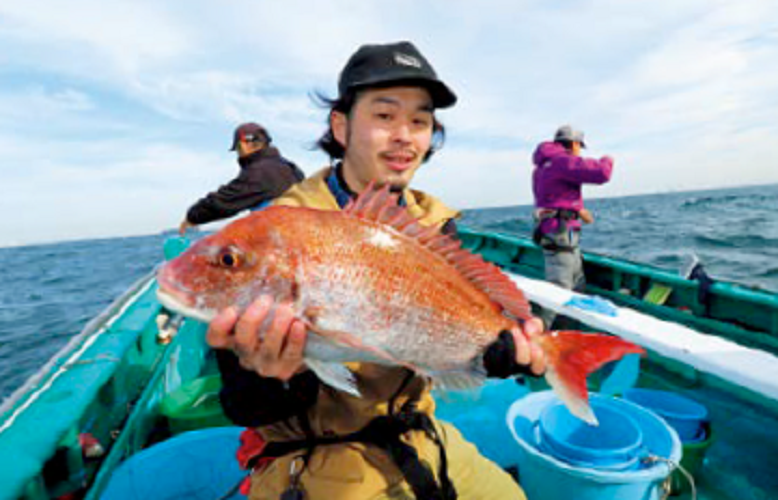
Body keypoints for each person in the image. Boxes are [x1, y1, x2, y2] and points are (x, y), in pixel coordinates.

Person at [207, 41, 547, 500]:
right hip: (314, 460)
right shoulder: (274, 234)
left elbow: (442, 338)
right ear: (341, 126)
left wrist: (493, 353)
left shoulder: (430, 226)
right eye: (385, 116)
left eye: (420, 121)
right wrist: (275, 378)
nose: (405, 135)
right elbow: (242, 404)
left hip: (422, 437)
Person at [531, 125, 614, 328]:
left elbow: (555, 198)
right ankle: (532, 339)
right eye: (580, 147)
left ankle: (566, 334)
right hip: (561, 234)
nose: (580, 152)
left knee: (577, 284)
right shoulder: (562, 161)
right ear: (574, 144)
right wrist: (608, 159)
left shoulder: (543, 166)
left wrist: (577, 210)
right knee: (559, 291)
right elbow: (602, 173)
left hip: (559, 231)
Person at [178, 122, 305, 235]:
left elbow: (224, 201)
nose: (238, 153)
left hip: (282, 245)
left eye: (238, 148)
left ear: (244, 144)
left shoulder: (259, 172)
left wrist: (192, 216)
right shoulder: (292, 168)